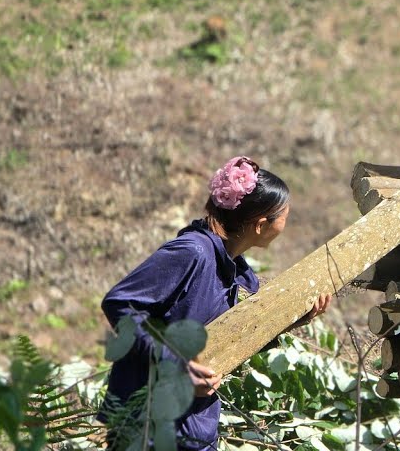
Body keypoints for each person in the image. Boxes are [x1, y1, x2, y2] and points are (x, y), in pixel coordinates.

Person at [99, 156, 331, 450]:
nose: (287, 224)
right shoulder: (192, 253)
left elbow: (233, 337)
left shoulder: (235, 270)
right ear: (261, 225)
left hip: (193, 426)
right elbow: (119, 304)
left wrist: (296, 318)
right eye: (285, 216)